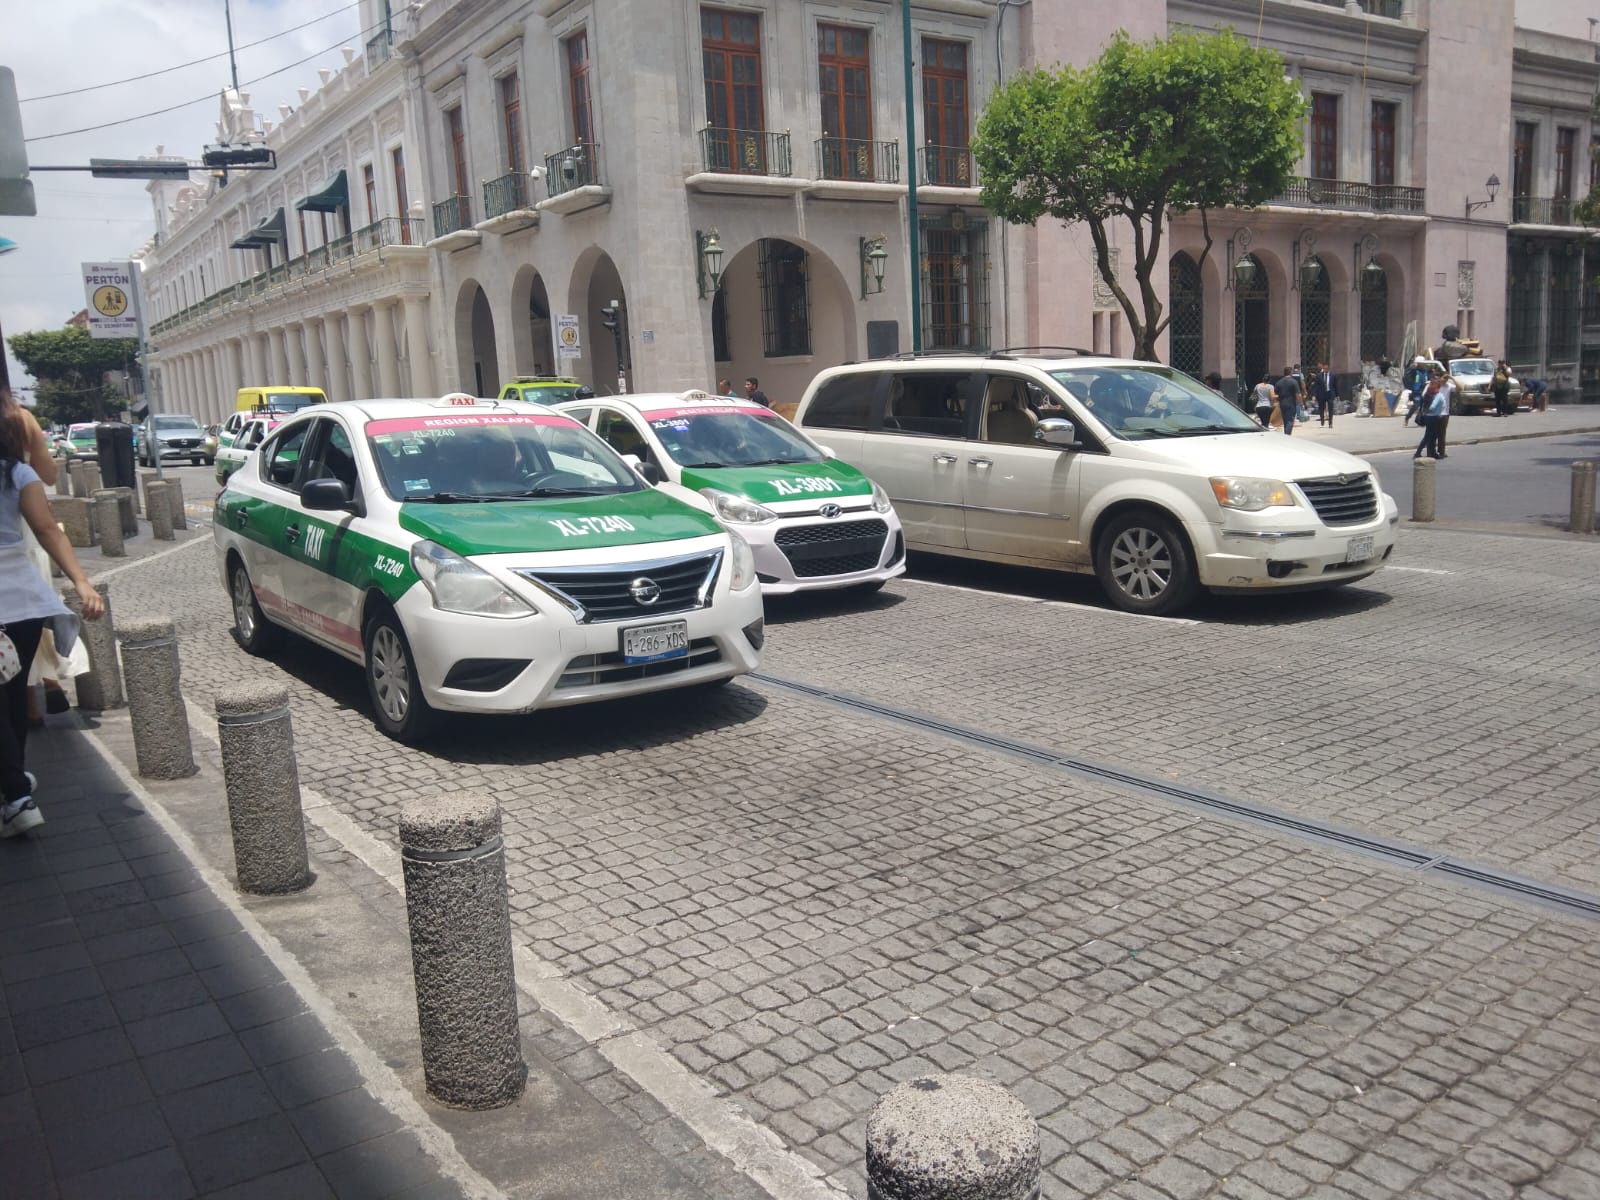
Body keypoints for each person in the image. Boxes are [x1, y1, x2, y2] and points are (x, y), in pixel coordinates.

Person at [2, 388, 105, 836]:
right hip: (22, 599)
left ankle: (16, 795)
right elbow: (47, 529)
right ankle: (16, 783)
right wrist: (82, 583)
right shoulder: (17, 471)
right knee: (12, 692)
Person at [1413, 366, 1450, 460]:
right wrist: (1430, 411)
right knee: (1428, 436)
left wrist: (1425, 411)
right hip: (1434, 417)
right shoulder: (1438, 395)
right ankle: (1418, 453)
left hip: (1428, 417)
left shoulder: (1429, 393)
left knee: (1433, 436)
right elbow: (1433, 407)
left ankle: (1432, 453)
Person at [1274, 368, 1303, 435]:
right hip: (1291, 403)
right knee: (1290, 420)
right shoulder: (1293, 382)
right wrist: (1301, 403)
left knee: (1285, 421)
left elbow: (1276, 393)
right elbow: (1298, 394)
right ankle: (1287, 435)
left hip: (1282, 403)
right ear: (1290, 373)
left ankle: (1286, 434)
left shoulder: (1279, 382)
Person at [1402, 357, 1430, 426]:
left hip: (1424, 390)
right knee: (1416, 405)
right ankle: (1407, 417)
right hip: (1416, 391)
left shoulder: (1425, 371)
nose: (1423, 365)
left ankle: (1419, 420)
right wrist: (1413, 366)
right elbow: (1407, 374)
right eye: (1421, 363)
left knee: (1423, 406)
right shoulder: (1414, 370)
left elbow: (1428, 378)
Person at [1311, 362, 1338, 427]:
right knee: (1321, 408)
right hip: (1321, 394)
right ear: (1323, 368)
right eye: (1324, 368)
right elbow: (1316, 386)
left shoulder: (1332, 375)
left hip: (1330, 393)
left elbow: (1335, 386)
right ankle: (1322, 418)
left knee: (1330, 408)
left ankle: (1330, 423)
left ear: (1329, 368)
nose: (1326, 370)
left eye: (1327, 368)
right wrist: (1314, 395)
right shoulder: (1319, 376)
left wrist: (1337, 395)